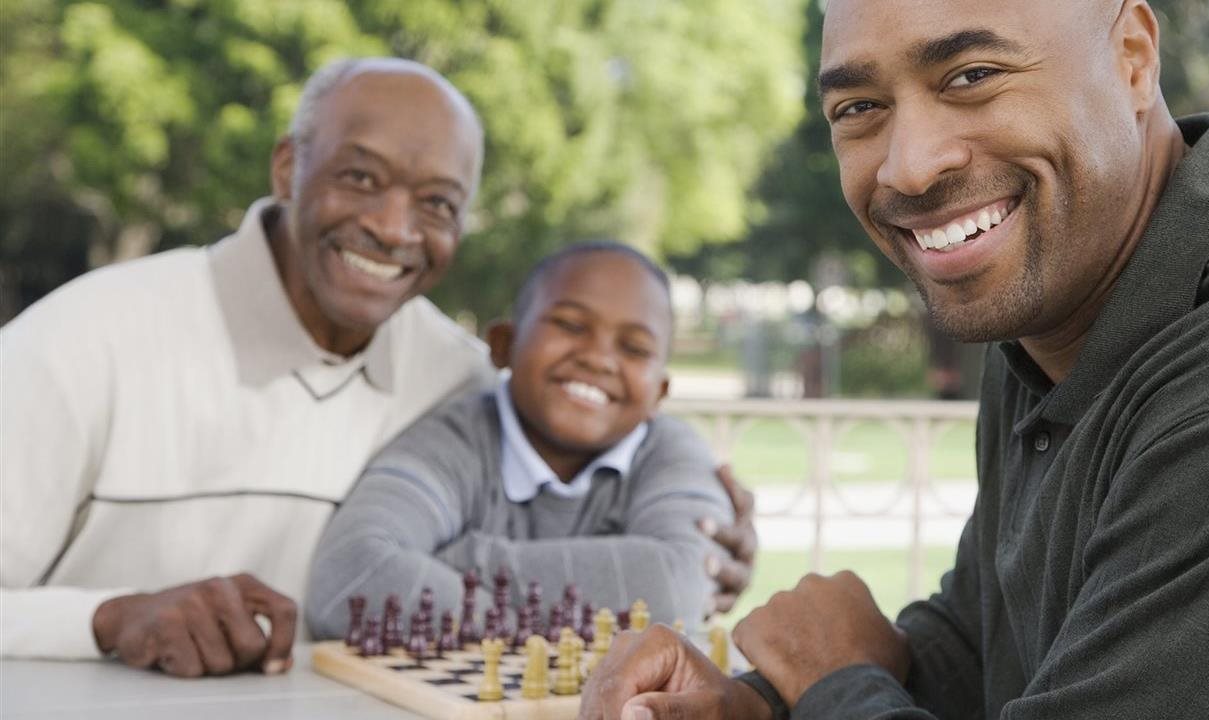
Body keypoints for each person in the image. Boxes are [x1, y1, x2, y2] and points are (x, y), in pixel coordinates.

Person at [578, 0, 1209, 718]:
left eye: (972, 75)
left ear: (1132, 56)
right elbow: (989, 647)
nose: (909, 168)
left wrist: (832, 682)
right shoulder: (1059, 308)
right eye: (858, 108)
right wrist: (761, 704)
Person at [0, 57, 758, 678]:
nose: (394, 228)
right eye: (360, 177)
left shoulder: (458, 378)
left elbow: (641, 559)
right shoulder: (84, 340)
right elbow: (361, 578)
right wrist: (107, 616)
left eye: (437, 203)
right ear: (290, 167)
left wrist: (700, 558)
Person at [307, 242, 733, 637]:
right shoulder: (455, 440)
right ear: (503, 345)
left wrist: (455, 564)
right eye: (569, 325)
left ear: (660, 391)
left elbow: (679, 587)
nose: (599, 358)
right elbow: (348, 576)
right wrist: (546, 632)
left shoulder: (673, 452)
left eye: (635, 349)